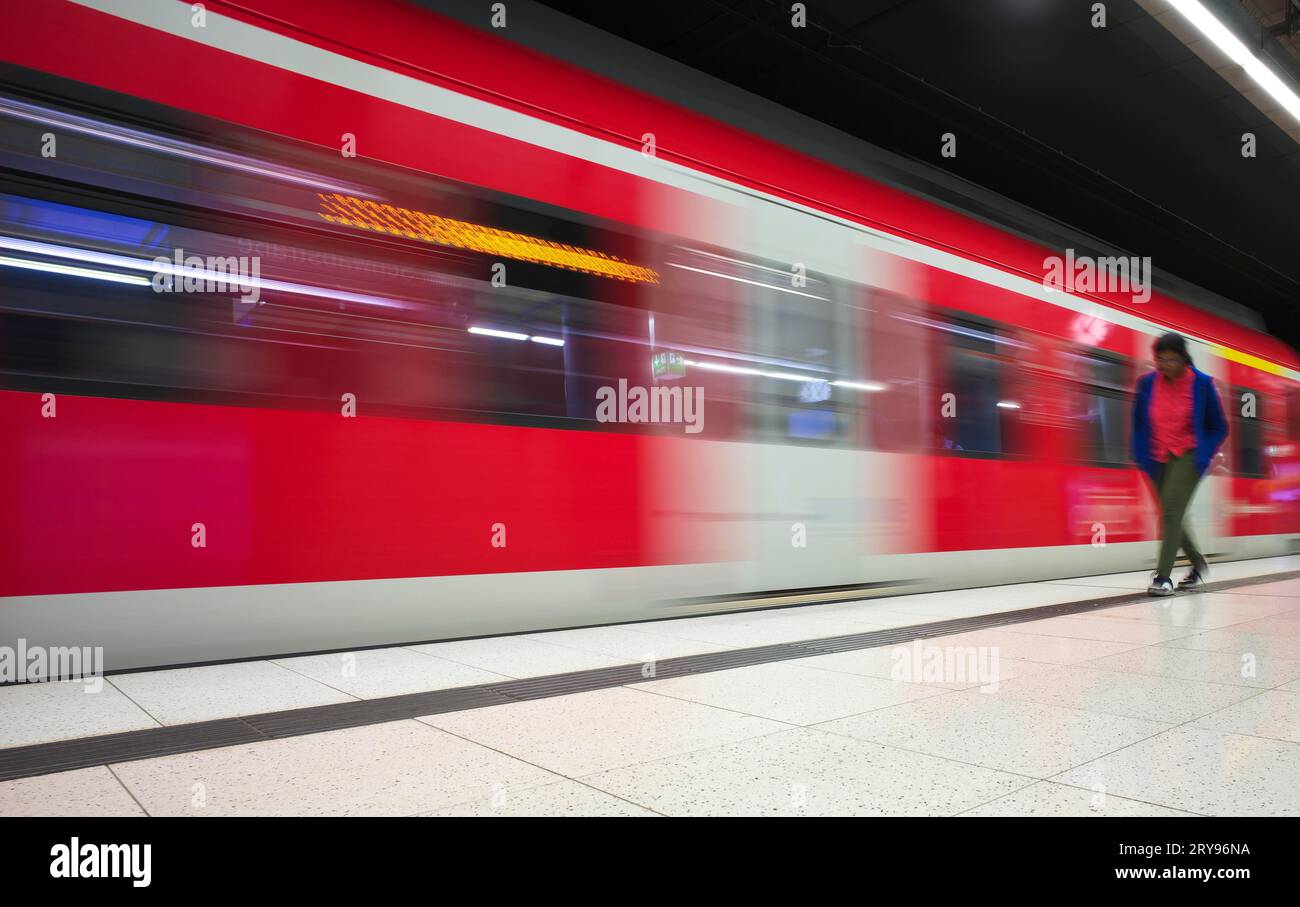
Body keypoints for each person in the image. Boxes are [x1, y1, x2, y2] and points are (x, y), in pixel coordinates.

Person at [1130, 333, 1228, 596]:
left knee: (1171, 512)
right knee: (1170, 514)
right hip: (1155, 455)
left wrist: (1205, 453)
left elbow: (1219, 427)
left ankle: (1163, 577)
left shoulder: (1202, 385)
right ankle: (1198, 563)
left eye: (1171, 359)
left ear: (1184, 359)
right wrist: (1138, 452)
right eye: (1160, 359)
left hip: (1188, 454)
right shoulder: (1147, 384)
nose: (1164, 365)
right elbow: (1139, 422)